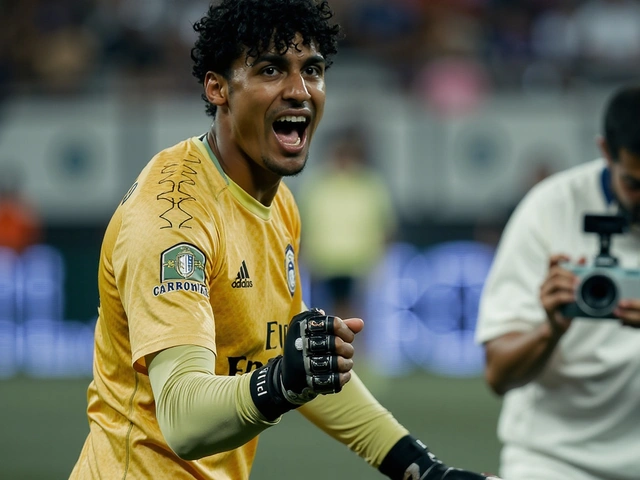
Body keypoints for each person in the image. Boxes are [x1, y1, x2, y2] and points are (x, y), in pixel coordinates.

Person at [69, 1, 500, 479]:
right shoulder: (174, 219)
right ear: (218, 88)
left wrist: (421, 468)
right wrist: (279, 383)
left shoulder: (280, 204)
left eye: (311, 70)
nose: (299, 91)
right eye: (270, 70)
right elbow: (184, 421)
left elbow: (303, 365)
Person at [476, 84, 640, 480]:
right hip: (554, 460)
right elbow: (499, 375)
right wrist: (550, 329)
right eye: (634, 184)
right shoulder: (549, 208)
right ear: (605, 152)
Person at [298, 128, 397, 321]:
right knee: (323, 315)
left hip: (360, 264)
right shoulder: (317, 184)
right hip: (324, 263)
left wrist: (380, 262)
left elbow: (386, 227)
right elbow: (302, 224)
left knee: (358, 316)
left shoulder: (370, 185)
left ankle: (356, 349)